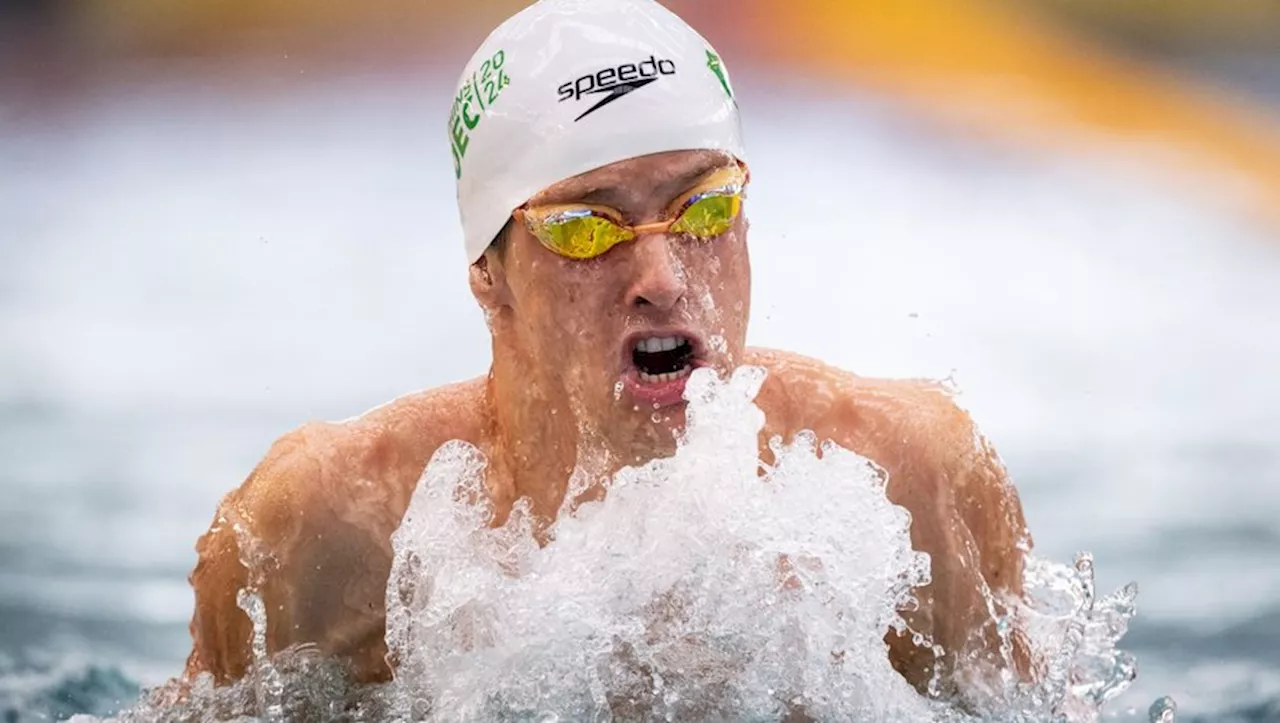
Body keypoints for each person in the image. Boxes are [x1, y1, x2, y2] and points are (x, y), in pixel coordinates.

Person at [180, 0, 1033, 707]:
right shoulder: (323, 528)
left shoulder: (906, 486)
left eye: (701, 208)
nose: (661, 277)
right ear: (489, 274)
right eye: (587, 226)